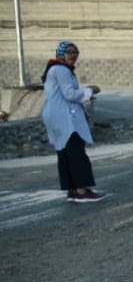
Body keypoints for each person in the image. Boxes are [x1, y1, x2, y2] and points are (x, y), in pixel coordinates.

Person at [41, 40, 105, 203]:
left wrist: (85, 94)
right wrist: (90, 90)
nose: (73, 55)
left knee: (65, 153)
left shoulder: (55, 69)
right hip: (65, 116)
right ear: (61, 53)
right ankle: (82, 191)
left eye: (75, 53)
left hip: (55, 115)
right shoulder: (61, 69)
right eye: (69, 52)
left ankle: (73, 190)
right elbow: (70, 94)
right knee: (76, 152)